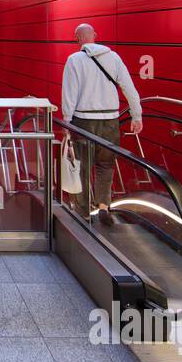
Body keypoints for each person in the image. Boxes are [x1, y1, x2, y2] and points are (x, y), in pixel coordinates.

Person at [60, 23, 142, 225]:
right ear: (95, 36)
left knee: (82, 166)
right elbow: (128, 88)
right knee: (105, 164)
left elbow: (69, 93)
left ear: (77, 39)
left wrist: (66, 121)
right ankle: (104, 205)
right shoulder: (113, 57)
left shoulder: (74, 60)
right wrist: (137, 115)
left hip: (84, 121)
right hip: (110, 121)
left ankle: (84, 211)